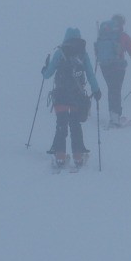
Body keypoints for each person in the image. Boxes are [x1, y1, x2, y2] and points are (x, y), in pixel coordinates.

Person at [41, 27, 102, 168]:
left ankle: (60, 157)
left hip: (60, 96)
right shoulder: (82, 54)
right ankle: (78, 157)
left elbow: (47, 74)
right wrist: (96, 90)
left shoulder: (59, 52)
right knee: (75, 125)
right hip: (76, 97)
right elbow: (90, 74)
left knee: (61, 125)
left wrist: (44, 68)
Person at [94, 14, 131, 127]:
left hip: (104, 66)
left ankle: (114, 114)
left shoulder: (103, 35)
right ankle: (115, 117)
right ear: (122, 23)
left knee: (111, 89)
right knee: (116, 90)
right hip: (118, 67)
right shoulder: (123, 36)